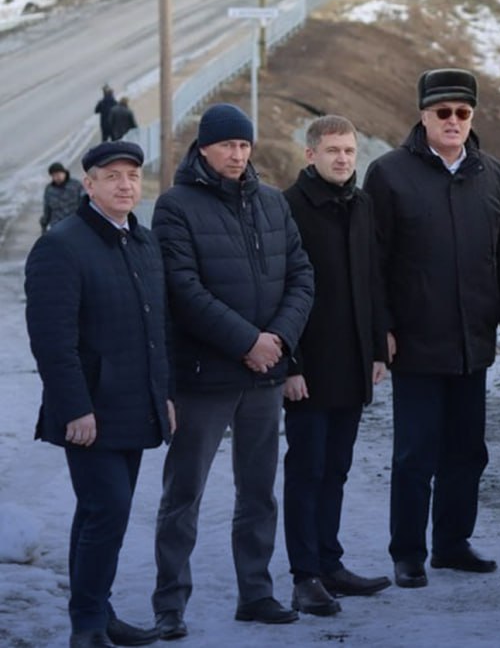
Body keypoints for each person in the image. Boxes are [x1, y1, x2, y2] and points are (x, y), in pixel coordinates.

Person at [150, 103, 315, 637]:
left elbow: (301, 276)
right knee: (184, 495)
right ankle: (170, 603)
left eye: (243, 145)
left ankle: (257, 593)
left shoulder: (271, 203)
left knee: (259, 492)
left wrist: (278, 341)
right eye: (227, 146)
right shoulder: (174, 206)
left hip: (264, 377)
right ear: (204, 149)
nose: (237, 155)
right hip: (204, 376)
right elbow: (183, 289)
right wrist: (247, 341)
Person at [363, 69, 500, 589]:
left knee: (467, 451)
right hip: (415, 340)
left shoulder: (492, 174)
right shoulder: (388, 174)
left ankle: (452, 544)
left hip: (471, 340)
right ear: (423, 115)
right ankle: (407, 551)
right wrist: (382, 328)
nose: (453, 121)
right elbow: (374, 262)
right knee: (415, 453)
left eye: (462, 113)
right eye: (443, 112)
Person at [26, 141, 173, 648]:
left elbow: (158, 329)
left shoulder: (144, 241)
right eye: (112, 176)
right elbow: (51, 340)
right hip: (88, 411)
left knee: (101, 511)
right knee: (107, 507)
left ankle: (96, 612)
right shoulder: (61, 245)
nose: (125, 184)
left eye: (132, 175)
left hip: (134, 404)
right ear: (88, 185)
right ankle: (86, 624)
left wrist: (165, 394)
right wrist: (75, 408)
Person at [281, 116, 392, 616]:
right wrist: (290, 364)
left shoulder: (362, 204)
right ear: (310, 155)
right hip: (307, 365)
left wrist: (376, 350)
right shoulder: (286, 207)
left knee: (337, 470)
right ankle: (304, 576)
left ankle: (330, 563)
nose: (343, 158)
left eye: (349, 150)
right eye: (332, 151)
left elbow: (373, 280)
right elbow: (278, 290)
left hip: (351, 363)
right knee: (307, 470)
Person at [41, 161, 85, 235]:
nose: (57, 177)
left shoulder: (76, 185)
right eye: (54, 175)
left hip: (75, 224)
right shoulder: (49, 189)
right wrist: (44, 225)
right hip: (57, 227)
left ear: (64, 173)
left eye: (59, 173)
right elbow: (47, 209)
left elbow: (85, 203)